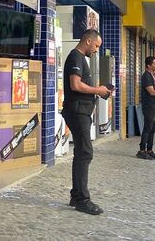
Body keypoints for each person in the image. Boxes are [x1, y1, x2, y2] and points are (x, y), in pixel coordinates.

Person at [61, 29, 111, 215]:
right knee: (85, 152)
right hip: (77, 111)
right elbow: (75, 85)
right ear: (88, 41)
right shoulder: (76, 57)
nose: (97, 49)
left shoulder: (81, 59)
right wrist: (97, 90)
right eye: (96, 45)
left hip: (81, 111)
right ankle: (82, 199)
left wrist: (99, 90)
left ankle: (76, 195)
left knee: (83, 152)